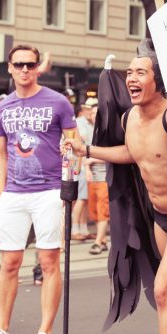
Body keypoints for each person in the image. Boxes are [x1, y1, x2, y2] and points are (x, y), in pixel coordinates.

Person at [66, 45, 167, 334]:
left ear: (157, 82)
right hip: (160, 218)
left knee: (163, 290)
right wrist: (88, 151)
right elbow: (133, 154)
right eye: (129, 72)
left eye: (140, 72)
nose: (131, 78)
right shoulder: (129, 117)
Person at [0, 44, 77, 334]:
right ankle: (2, 329)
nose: (25, 69)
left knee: (49, 262)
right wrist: (3, 191)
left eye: (30, 64)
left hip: (48, 191)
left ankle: (44, 332)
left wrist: (71, 156)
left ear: (38, 67)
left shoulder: (58, 102)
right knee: (9, 262)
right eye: (19, 64)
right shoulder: (2, 108)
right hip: (14, 194)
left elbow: (75, 142)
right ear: (9, 67)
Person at [71, 99, 97, 241]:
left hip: (88, 163)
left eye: (91, 109)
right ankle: (75, 229)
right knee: (81, 198)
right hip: (80, 164)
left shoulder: (92, 123)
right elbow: (78, 145)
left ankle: (83, 228)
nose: (89, 111)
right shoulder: (79, 122)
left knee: (86, 198)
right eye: (87, 109)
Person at [86, 104, 109, 255]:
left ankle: (97, 242)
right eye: (92, 113)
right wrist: (87, 168)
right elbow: (85, 155)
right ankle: (104, 241)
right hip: (92, 177)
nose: (94, 115)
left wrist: (93, 160)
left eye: (96, 113)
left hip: (104, 177)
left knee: (103, 211)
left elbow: (112, 154)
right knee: (94, 211)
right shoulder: (90, 132)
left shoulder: (107, 132)